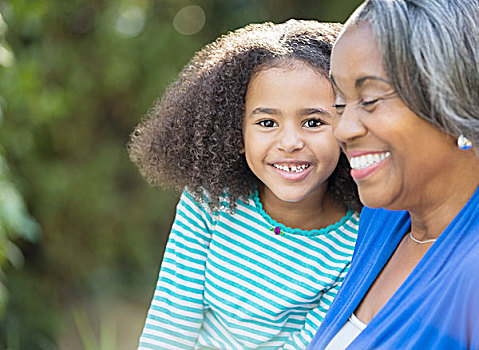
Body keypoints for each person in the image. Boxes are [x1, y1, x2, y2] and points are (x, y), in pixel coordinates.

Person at [128, 20, 362, 349]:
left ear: (346, 127)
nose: (290, 142)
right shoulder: (208, 201)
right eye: (267, 122)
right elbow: (169, 325)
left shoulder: (356, 240)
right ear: (237, 135)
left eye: (313, 122)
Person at [308, 0, 479, 349]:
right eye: (340, 103)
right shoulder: (385, 217)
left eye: (369, 99)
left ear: (458, 98)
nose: (343, 129)